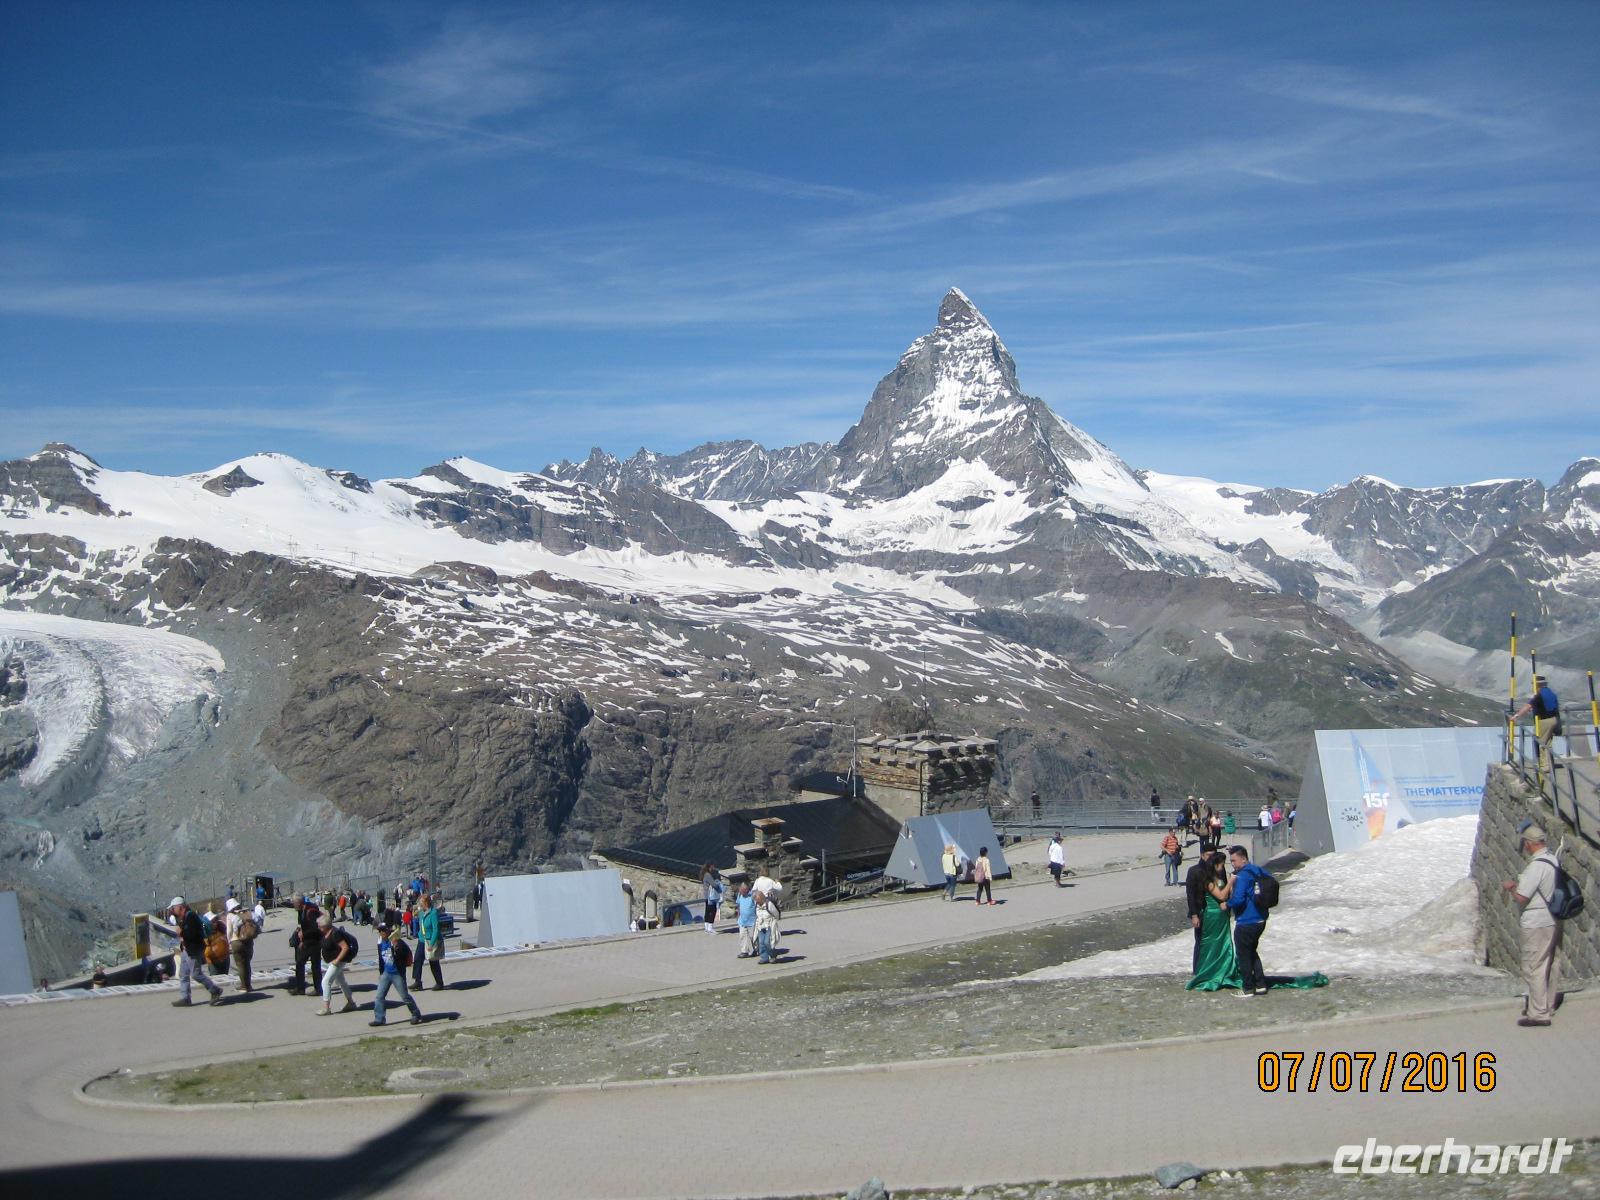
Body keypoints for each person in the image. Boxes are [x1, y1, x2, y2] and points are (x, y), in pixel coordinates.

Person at [1502, 824, 1564, 1027]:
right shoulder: (1553, 860)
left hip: (1536, 921)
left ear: (1529, 843)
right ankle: (1548, 1004)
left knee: (1533, 966)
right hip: (1552, 919)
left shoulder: (1536, 866)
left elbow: (1522, 896)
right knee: (1549, 962)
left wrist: (1511, 887)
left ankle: (1538, 1013)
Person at [1188, 849, 1244, 991]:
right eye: (1221, 863)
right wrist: (1231, 881)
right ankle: (1208, 971)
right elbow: (1221, 896)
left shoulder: (1219, 877)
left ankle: (1224, 969)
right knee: (1211, 942)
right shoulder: (1208, 879)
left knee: (1224, 942)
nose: (1222, 866)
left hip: (1222, 914)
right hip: (1212, 914)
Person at [1227, 847, 1270, 996]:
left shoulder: (1242, 876)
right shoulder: (1257, 870)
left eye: (1234, 860)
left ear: (1243, 859)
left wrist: (1227, 904)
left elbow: (1238, 899)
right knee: (1252, 952)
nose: (1232, 863)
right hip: (1261, 918)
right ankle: (1260, 984)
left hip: (1247, 920)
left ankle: (1248, 988)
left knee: (1243, 954)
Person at [167, 897, 223, 1008]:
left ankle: (215, 990)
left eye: (173, 908)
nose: (173, 910)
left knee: (196, 974)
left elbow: (192, 935)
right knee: (183, 974)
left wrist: (181, 933)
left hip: (193, 950)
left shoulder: (191, 917)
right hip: (186, 950)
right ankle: (185, 998)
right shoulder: (184, 917)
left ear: (180, 907)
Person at [370, 923, 423, 1027]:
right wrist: (381, 973)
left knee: (405, 996)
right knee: (379, 996)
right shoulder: (380, 943)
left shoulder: (397, 941)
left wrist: (396, 947)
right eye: (380, 931)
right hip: (386, 973)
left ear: (388, 931)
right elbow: (381, 959)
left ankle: (415, 1013)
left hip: (397, 973)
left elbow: (405, 954)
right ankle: (379, 1018)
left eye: (383, 930)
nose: (381, 933)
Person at [1513, 676, 1563, 774]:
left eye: (1533, 684)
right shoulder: (1551, 693)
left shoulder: (1539, 695)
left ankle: (1545, 766)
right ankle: (1549, 763)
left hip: (1544, 721)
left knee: (1542, 743)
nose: (1532, 686)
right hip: (1554, 720)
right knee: (1548, 742)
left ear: (1537, 685)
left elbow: (1528, 706)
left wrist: (1517, 715)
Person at [316, 914, 358, 1015]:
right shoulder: (325, 933)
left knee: (325, 982)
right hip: (332, 961)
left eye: (320, 926)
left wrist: (337, 960)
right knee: (341, 981)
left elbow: (345, 947)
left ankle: (327, 1008)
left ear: (325, 926)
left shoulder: (335, 933)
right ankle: (351, 1002)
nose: (318, 927)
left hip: (338, 961)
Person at [1183, 846, 1217, 972]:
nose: (1211, 858)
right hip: (1200, 911)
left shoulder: (1216, 869)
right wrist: (1194, 914)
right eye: (1209, 855)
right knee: (1200, 941)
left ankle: (1211, 967)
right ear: (1202, 855)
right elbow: (1190, 895)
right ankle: (1198, 970)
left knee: (1213, 941)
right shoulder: (1194, 870)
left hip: (1214, 912)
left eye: (1213, 855)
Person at [289, 896, 324, 996]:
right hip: (307, 942)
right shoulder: (302, 910)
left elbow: (315, 928)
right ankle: (301, 988)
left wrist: (304, 934)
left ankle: (317, 989)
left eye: (294, 903)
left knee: (313, 965)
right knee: (301, 963)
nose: (293, 905)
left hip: (314, 942)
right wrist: (300, 933)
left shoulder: (310, 911)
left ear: (299, 903)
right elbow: (303, 925)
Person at [412, 893, 445, 991]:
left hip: (431, 940)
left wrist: (431, 944)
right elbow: (417, 915)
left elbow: (436, 929)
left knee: (433, 961)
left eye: (421, 902)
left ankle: (439, 983)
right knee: (417, 959)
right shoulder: (422, 912)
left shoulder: (433, 913)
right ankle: (418, 982)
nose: (419, 904)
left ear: (426, 903)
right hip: (422, 940)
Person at [225, 897, 256, 993]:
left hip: (237, 941)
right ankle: (248, 985)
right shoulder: (245, 913)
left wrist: (228, 940)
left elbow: (229, 931)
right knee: (247, 963)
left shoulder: (230, 915)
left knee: (240, 965)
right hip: (248, 941)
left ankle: (243, 986)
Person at [754, 891, 780, 964]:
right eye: (756, 901)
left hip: (769, 925)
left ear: (762, 898)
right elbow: (756, 915)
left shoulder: (769, 904)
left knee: (767, 942)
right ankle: (764, 957)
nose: (757, 903)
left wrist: (774, 923)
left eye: (758, 901)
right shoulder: (757, 905)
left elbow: (776, 914)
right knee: (761, 942)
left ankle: (772, 955)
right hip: (760, 926)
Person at [735, 882, 758, 958]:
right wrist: (738, 915)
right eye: (740, 889)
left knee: (753, 937)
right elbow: (738, 905)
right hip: (742, 920)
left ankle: (757, 950)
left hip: (751, 920)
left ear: (747, 890)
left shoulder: (752, 895)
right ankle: (744, 951)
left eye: (742, 890)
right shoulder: (740, 895)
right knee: (742, 936)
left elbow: (757, 906)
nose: (741, 891)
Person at [700, 863, 722, 934]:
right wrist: (719, 884)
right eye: (712, 867)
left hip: (706, 896)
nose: (713, 869)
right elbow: (714, 885)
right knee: (713, 911)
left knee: (707, 911)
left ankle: (706, 928)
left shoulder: (704, 874)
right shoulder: (708, 875)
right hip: (711, 897)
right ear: (709, 867)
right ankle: (710, 928)